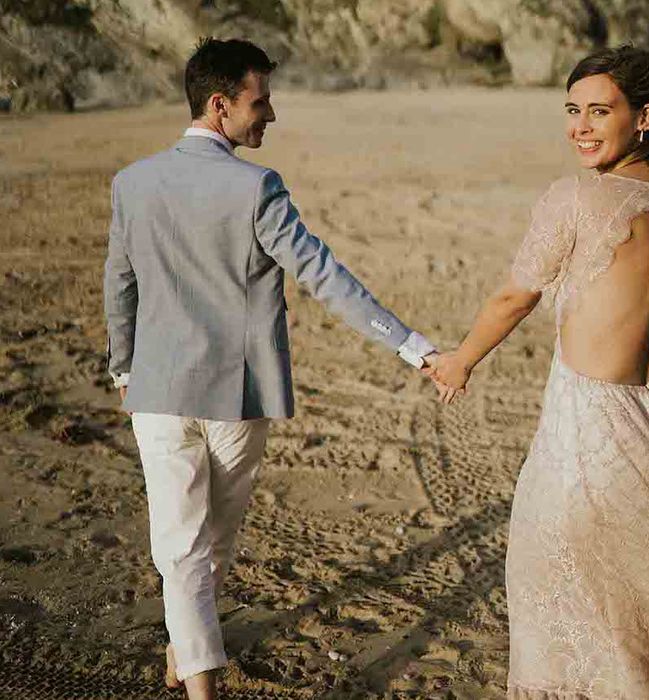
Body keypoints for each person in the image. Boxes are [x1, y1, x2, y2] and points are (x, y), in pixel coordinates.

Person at [428, 46, 649, 698]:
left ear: (644, 118)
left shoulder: (580, 196)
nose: (580, 126)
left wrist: (459, 362)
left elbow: (514, 296)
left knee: (560, 581)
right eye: (572, 111)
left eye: (598, 111)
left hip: (590, 431)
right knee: (638, 596)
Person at [103, 38, 438, 700]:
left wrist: (123, 368)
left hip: (159, 389)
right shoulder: (257, 186)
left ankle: (185, 642)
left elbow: (120, 286)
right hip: (237, 393)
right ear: (221, 104)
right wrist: (409, 344)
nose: (271, 116)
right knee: (195, 548)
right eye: (261, 102)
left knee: (194, 550)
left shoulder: (133, 182)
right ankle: (206, 688)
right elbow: (325, 278)